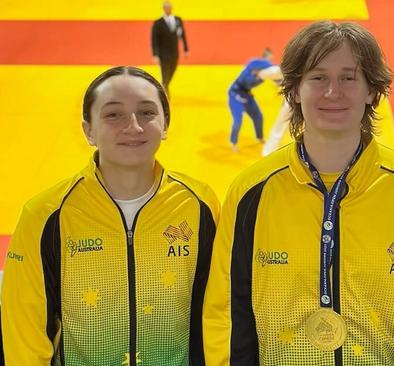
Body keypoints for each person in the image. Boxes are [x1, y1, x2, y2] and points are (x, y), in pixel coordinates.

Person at [203, 21, 394, 365]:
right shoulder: (252, 191)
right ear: (294, 89)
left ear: (371, 90)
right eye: (318, 77)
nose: (333, 92)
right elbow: (227, 310)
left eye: (349, 77)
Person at [1, 66, 220, 365]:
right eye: (113, 114)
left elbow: (220, 311)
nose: (133, 126)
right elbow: (23, 329)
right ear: (88, 130)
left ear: (166, 124)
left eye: (146, 112)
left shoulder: (200, 204)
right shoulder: (46, 214)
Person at [227, 48, 281, 152]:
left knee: (258, 116)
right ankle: (233, 142)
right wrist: (258, 76)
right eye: (270, 58)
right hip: (235, 95)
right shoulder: (259, 64)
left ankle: (259, 137)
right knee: (238, 120)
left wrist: (278, 82)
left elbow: (274, 75)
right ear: (266, 57)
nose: (270, 61)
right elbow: (246, 82)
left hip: (247, 94)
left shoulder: (262, 67)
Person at [151, 1, 188, 93]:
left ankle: (164, 85)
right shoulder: (158, 23)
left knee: (172, 70)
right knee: (165, 73)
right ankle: (165, 90)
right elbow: (154, 39)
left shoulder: (178, 20)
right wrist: (155, 54)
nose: (168, 9)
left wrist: (186, 49)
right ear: (163, 9)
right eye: (166, 7)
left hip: (174, 52)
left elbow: (182, 35)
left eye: (169, 7)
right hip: (163, 53)